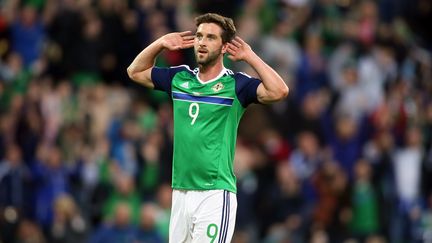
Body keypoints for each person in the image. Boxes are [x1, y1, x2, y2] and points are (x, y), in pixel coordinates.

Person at [127, 13, 288, 243]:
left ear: (224, 47)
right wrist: (160, 44)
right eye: (200, 36)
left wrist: (250, 57)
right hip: (181, 192)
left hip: (214, 194)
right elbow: (135, 72)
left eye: (211, 37)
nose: (202, 42)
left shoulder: (237, 85)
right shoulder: (180, 78)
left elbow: (279, 91)